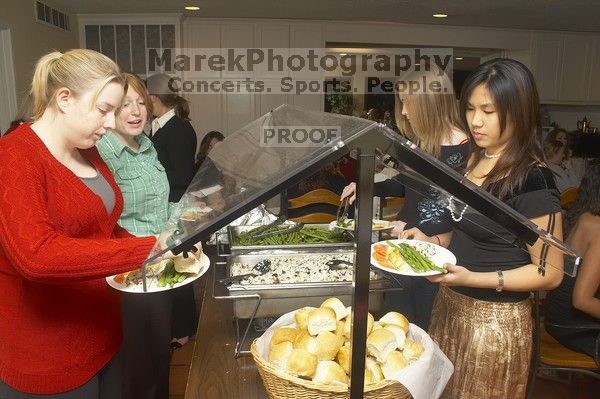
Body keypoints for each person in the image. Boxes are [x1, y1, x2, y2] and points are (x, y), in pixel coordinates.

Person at [0, 49, 160, 398]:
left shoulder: (87, 149)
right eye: (104, 110)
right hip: (48, 353)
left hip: (103, 332)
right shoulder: (14, 156)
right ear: (64, 99)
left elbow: (105, 226)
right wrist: (147, 249)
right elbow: (36, 256)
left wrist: (162, 247)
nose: (109, 122)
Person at [401, 58, 564, 398]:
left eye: (488, 111)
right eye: (472, 109)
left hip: (494, 323)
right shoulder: (472, 159)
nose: (475, 121)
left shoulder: (533, 179)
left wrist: (473, 278)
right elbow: (460, 228)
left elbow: (549, 273)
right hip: (450, 306)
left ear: (518, 111)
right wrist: (427, 239)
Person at [340, 67, 469, 329]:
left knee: (427, 330)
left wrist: (432, 238)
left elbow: (464, 217)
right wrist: (364, 185)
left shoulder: (469, 151)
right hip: (402, 246)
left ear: (429, 103)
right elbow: (403, 184)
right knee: (398, 327)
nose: (406, 112)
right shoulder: (422, 144)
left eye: (408, 103)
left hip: (437, 259)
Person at [96, 73, 171, 399]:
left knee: (159, 355)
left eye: (141, 102)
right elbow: (102, 221)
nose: (136, 111)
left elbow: (159, 205)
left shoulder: (147, 146)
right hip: (126, 272)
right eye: (125, 104)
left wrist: (197, 213)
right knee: (136, 365)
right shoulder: (103, 153)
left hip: (159, 266)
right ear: (109, 109)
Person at [146, 73, 198, 348]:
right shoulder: (159, 126)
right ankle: (175, 326)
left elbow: (182, 175)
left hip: (175, 206)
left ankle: (184, 329)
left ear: (154, 98)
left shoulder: (178, 129)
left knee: (180, 266)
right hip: (166, 205)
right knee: (169, 266)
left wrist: (152, 177)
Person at [546, 162, 600, 360]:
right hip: (573, 326)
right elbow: (582, 301)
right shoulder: (597, 227)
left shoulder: (585, 216)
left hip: (557, 317)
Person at [543, 127, 585, 192]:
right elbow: (573, 189)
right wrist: (570, 170)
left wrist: (569, 170)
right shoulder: (553, 168)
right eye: (560, 138)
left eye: (565, 138)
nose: (563, 141)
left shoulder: (556, 164)